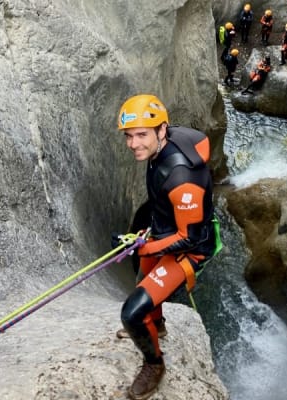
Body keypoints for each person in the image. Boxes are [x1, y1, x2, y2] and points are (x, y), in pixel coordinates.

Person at [116, 94, 218, 400]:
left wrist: (144, 247)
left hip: (188, 249)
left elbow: (192, 238)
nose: (134, 144)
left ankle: (154, 364)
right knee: (143, 284)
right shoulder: (164, 144)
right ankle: (156, 327)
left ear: (162, 131)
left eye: (141, 135)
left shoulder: (182, 177)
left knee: (132, 314)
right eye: (129, 136)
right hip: (164, 232)